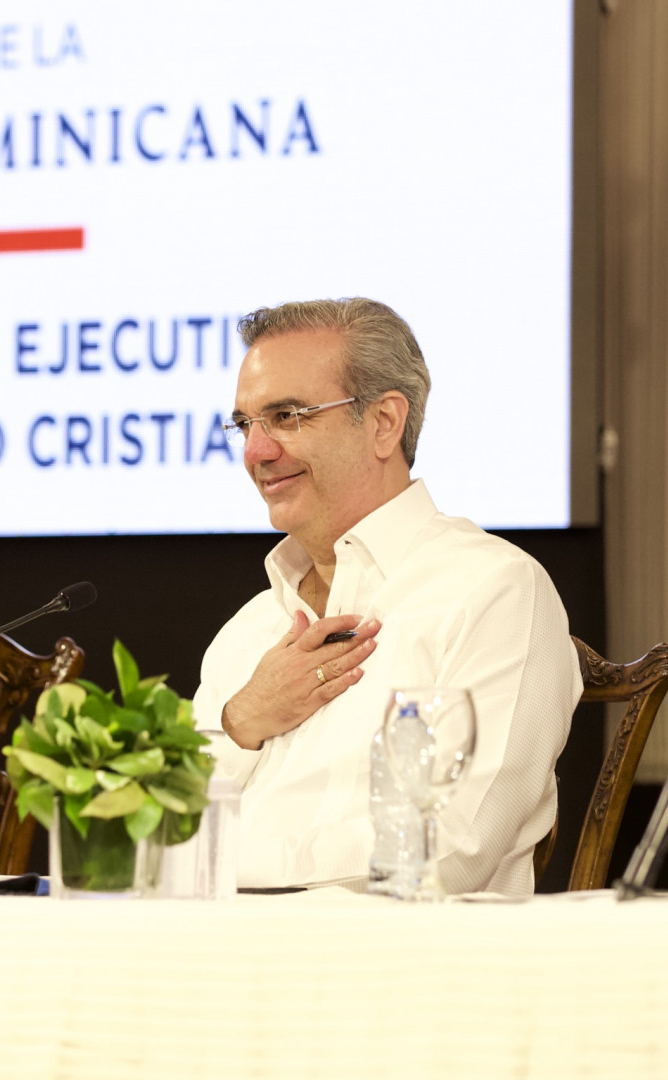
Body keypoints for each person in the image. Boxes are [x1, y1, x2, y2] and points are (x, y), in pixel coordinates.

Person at [192, 298, 582, 895]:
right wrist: (240, 722)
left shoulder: (494, 592)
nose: (256, 452)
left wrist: (220, 867)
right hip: (211, 946)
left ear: (383, 422)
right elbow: (159, 836)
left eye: (287, 416)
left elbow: (447, 853)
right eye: (245, 424)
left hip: (397, 955)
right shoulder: (247, 632)